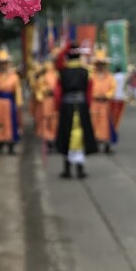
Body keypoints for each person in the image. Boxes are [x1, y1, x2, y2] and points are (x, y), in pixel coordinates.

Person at [54, 43, 98, 179]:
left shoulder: (61, 73)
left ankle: (67, 169)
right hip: (81, 106)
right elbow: (90, 93)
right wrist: (87, 105)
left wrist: (58, 107)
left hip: (66, 107)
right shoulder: (86, 72)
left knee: (66, 135)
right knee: (81, 135)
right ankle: (80, 169)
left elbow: (57, 93)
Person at [0, 49, 23, 155]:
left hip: (10, 103)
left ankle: (11, 147)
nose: (3, 65)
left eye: (5, 63)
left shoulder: (14, 77)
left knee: (11, 124)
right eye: (1, 63)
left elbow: (17, 91)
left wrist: (18, 103)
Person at [91, 52, 117, 153]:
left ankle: (107, 145)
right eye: (99, 64)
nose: (100, 66)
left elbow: (112, 88)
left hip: (105, 104)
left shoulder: (110, 77)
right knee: (94, 123)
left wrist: (106, 96)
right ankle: (94, 144)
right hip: (94, 104)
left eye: (102, 64)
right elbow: (89, 89)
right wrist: (96, 96)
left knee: (106, 124)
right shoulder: (92, 77)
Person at [36, 60, 59, 153]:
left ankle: (55, 141)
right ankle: (49, 142)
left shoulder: (58, 75)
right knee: (46, 120)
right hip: (47, 101)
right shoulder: (42, 78)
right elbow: (39, 90)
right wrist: (47, 90)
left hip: (55, 101)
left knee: (55, 120)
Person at [110, 65, 128, 138]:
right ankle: (115, 127)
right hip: (121, 97)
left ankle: (113, 127)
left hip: (114, 97)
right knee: (119, 115)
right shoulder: (123, 77)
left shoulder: (113, 77)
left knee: (113, 114)